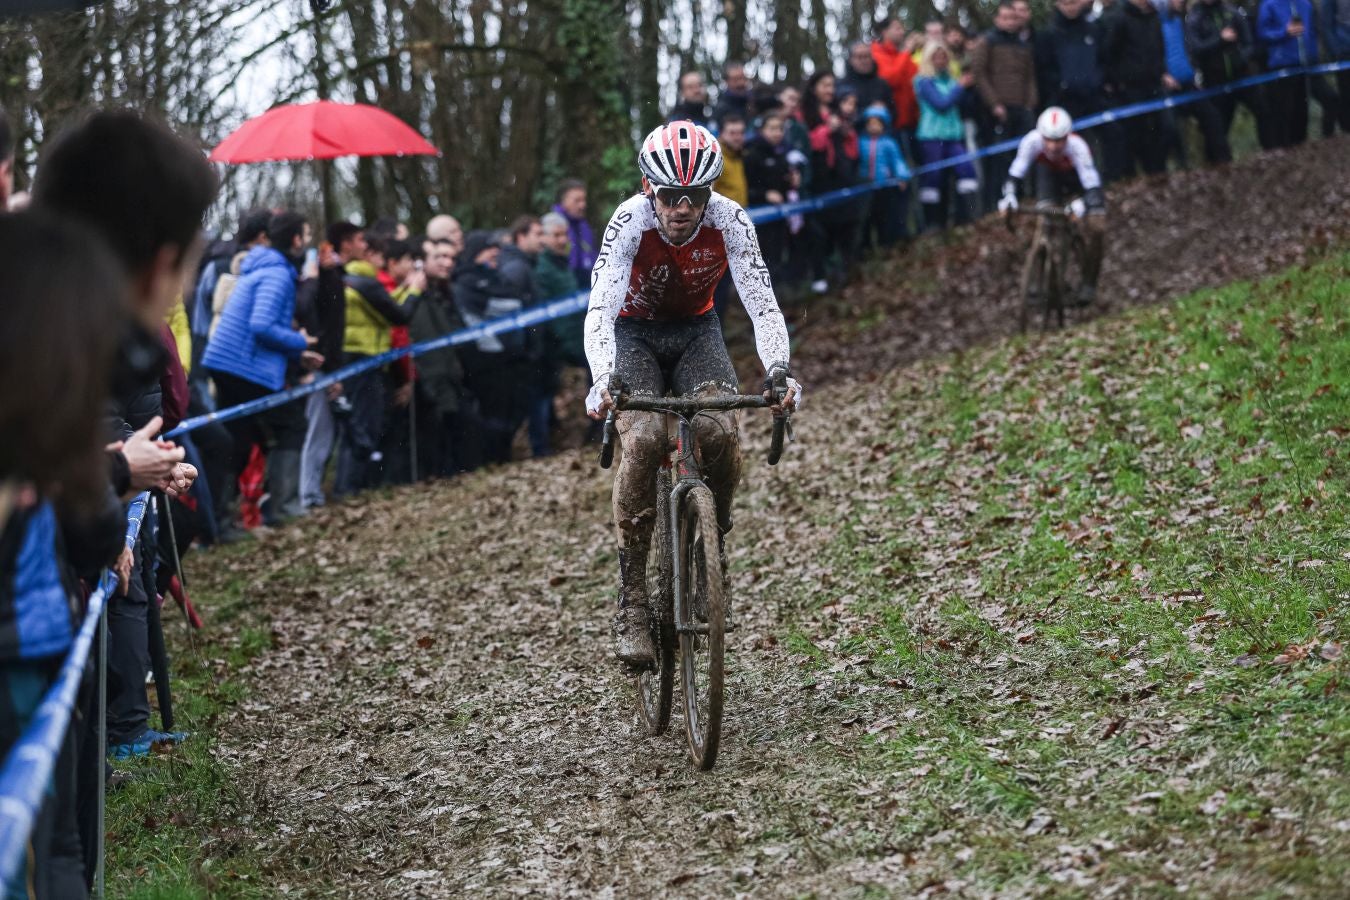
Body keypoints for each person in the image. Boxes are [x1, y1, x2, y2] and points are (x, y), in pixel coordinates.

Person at [583, 120, 801, 664]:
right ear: (648, 189)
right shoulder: (629, 221)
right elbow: (601, 307)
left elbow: (761, 302)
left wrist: (778, 368)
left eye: (695, 196)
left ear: (710, 194)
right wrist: (602, 376)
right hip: (633, 335)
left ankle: (714, 544)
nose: (682, 209)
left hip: (697, 333)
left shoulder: (731, 220)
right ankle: (632, 598)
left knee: (717, 430)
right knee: (645, 437)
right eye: (671, 196)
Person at [0, 210, 127, 900]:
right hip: (22, 641)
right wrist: (118, 474)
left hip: (35, 629)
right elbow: (89, 518)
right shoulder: (38, 357)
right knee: (43, 850)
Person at [201, 210, 322, 526]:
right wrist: (299, 341)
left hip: (230, 363)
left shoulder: (266, 268)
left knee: (235, 442)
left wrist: (297, 356)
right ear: (296, 240)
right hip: (242, 367)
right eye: (306, 235)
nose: (308, 241)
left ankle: (221, 519)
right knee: (291, 424)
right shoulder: (278, 274)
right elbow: (262, 326)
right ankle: (283, 507)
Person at [335, 228, 421, 495]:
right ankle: (348, 490)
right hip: (363, 359)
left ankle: (351, 488)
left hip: (359, 358)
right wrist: (415, 291)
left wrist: (404, 290)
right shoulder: (364, 281)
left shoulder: (353, 280)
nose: (384, 261)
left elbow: (380, 311)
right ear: (370, 255)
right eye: (380, 255)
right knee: (362, 429)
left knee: (359, 427)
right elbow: (398, 315)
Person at [998, 107, 1107, 306]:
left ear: (1068, 136)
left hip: (1078, 182)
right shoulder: (1031, 141)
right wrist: (1009, 197)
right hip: (1049, 177)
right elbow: (1014, 175)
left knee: (1097, 227)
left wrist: (1082, 204)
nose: (1053, 146)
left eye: (1059, 140)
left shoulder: (1078, 147)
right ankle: (1041, 277)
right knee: (1044, 220)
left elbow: (1093, 187)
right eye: (1048, 139)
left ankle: (1089, 283)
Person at [453, 231, 531, 465]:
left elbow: (516, 299)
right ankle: (491, 459)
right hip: (484, 359)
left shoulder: (496, 276)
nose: (494, 256)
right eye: (489, 251)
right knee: (492, 415)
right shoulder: (465, 282)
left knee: (512, 410)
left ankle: (502, 455)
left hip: (509, 356)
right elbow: (508, 304)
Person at [1037, 0, 1128, 181]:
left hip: (1094, 95)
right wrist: (1060, 86)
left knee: (1114, 133)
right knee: (1064, 144)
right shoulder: (1048, 33)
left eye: (1073, 2)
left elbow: (1103, 59)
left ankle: (1113, 180)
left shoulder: (1094, 28)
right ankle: (1071, 185)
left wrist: (1101, 81)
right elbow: (1044, 68)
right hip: (1064, 100)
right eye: (1066, 3)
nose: (1070, 6)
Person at [408, 238, 476, 476]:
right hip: (431, 379)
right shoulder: (415, 295)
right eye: (439, 257)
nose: (447, 263)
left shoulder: (447, 291)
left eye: (451, 258)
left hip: (452, 374)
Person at [971, 2, 1039, 211]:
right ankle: (993, 204)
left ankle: (1021, 196)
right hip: (997, 111)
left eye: (1013, 18)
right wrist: (994, 104)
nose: (1010, 22)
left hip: (1022, 109)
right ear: (997, 20)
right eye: (1005, 18)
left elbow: (1029, 77)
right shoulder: (987, 42)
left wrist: (1030, 104)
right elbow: (979, 74)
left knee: (1025, 154)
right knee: (998, 160)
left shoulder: (1023, 44)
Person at [498, 216, 552, 457]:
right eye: (537, 234)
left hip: (533, 351)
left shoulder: (526, 264)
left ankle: (539, 447)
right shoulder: (515, 268)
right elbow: (514, 313)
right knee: (521, 408)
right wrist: (526, 347)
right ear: (521, 236)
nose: (543, 240)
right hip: (523, 355)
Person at [1186, 0, 1274, 147]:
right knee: (1219, 127)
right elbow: (1196, 48)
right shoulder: (1195, 17)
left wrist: (1241, 58)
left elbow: (1249, 42)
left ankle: (1271, 151)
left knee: (1264, 110)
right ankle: (1218, 164)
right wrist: (1220, 40)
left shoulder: (1232, 11)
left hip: (1241, 76)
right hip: (1215, 81)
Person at [915, 43, 981, 228]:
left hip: (953, 135)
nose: (941, 61)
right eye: (936, 57)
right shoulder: (923, 81)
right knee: (933, 178)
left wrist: (968, 88)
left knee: (966, 169)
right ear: (929, 59)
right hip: (931, 136)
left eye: (944, 57)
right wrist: (960, 87)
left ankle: (967, 218)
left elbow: (963, 104)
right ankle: (933, 224)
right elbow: (941, 104)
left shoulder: (953, 80)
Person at [1159, 0, 1232, 166]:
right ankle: (1178, 168)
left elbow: (1190, 50)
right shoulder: (1155, 23)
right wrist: (1162, 74)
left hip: (1189, 83)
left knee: (1212, 119)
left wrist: (1195, 73)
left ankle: (1224, 164)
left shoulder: (1184, 20)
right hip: (1166, 87)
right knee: (1169, 130)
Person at [1101, 0, 1169, 175]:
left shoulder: (1154, 17)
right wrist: (1115, 80)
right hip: (1130, 88)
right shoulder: (1119, 18)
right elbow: (1109, 52)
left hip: (1154, 85)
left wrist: (1161, 71)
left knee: (1163, 129)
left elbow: (1159, 47)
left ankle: (1158, 172)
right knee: (1135, 134)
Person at [1256, 0, 1318, 146]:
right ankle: (1283, 147)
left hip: (1303, 64)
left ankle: (1301, 145)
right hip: (1281, 65)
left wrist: (1313, 57)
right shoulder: (1269, 5)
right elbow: (1262, 33)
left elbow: (1312, 32)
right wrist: (1284, 32)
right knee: (1283, 110)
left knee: (1301, 109)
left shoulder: (1306, 4)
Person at [743, 112, 797, 280]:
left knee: (777, 257)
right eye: (772, 128)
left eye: (780, 129)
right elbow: (746, 188)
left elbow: (783, 183)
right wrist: (765, 195)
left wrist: (791, 181)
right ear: (762, 130)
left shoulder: (781, 153)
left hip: (779, 217)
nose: (777, 133)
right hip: (758, 219)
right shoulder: (751, 154)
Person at [857, 104, 911, 248]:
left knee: (884, 218)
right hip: (865, 188)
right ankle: (866, 247)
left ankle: (886, 244)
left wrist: (902, 176)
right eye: (870, 123)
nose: (874, 127)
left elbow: (897, 161)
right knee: (866, 220)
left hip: (884, 187)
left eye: (877, 123)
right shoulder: (860, 142)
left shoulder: (889, 143)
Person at [872, 15, 923, 158]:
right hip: (894, 124)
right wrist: (907, 51)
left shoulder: (902, 55)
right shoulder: (876, 53)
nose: (902, 32)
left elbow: (919, 77)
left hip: (914, 122)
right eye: (897, 28)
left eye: (902, 28)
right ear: (884, 32)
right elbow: (891, 79)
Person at [552, 179, 597, 289]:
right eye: (577, 201)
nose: (583, 205)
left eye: (583, 200)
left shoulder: (584, 226)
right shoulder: (553, 226)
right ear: (563, 202)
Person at [841, 41, 897, 118]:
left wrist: (883, 110)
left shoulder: (882, 84)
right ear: (851, 60)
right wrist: (869, 111)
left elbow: (894, 112)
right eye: (859, 57)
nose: (864, 61)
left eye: (866, 56)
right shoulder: (842, 84)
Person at [712, 113, 749, 207]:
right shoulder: (714, 160)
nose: (738, 137)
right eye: (732, 133)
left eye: (741, 133)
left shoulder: (738, 155)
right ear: (721, 134)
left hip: (739, 216)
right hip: (720, 218)